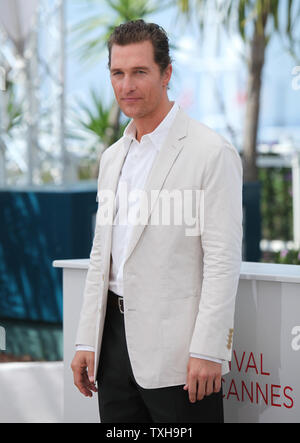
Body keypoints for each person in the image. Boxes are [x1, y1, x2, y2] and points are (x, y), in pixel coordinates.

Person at [71, 19, 243, 423]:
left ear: (166, 74)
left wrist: (208, 349)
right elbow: (102, 257)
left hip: (181, 357)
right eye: (118, 73)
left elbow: (222, 260)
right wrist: (86, 341)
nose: (127, 85)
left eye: (139, 72)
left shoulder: (211, 153)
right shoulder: (112, 157)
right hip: (111, 346)